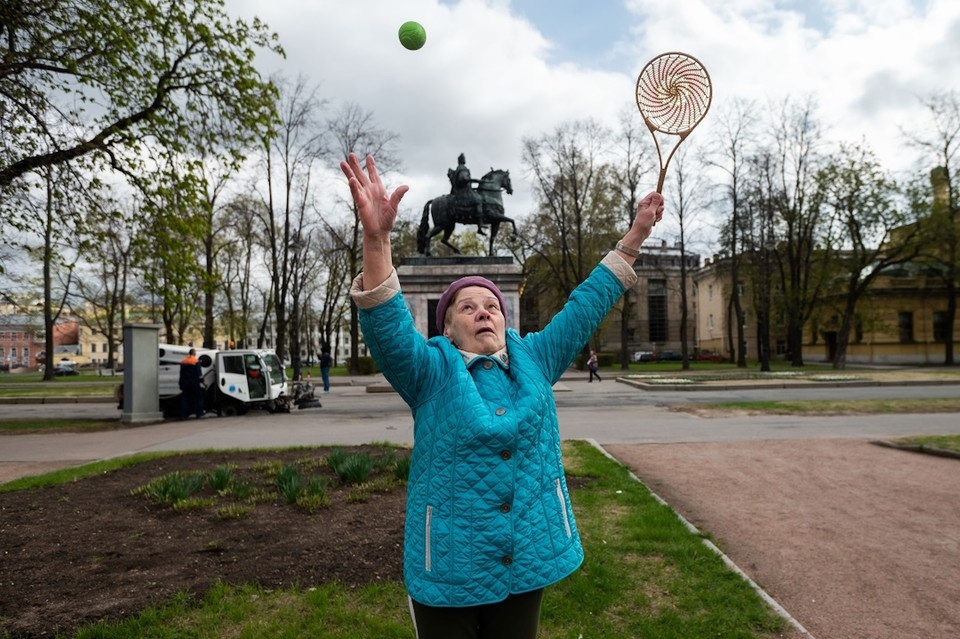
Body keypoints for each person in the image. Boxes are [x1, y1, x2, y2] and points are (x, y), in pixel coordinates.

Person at [340, 152, 663, 639]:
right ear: (447, 328)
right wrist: (376, 238)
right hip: (449, 560)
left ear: (505, 317)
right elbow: (386, 323)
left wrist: (635, 236)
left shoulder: (535, 358)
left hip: (527, 552)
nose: (483, 312)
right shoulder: (429, 369)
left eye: (492, 305)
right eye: (467, 307)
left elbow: (587, 304)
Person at [447, 152, 485, 233]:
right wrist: (476, 180)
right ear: (462, 160)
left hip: (462, 191)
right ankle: (480, 225)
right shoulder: (462, 169)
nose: (465, 160)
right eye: (463, 159)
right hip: (463, 193)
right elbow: (463, 179)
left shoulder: (459, 169)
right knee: (479, 199)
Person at [178, 348, 204, 419]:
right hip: (194, 383)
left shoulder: (183, 361)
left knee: (185, 399)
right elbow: (199, 374)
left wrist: (180, 383)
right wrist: (202, 381)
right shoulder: (196, 361)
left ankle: (183, 415)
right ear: (194, 354)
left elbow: (181, 374)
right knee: (198, 398)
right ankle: (199, 414)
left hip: (185, 383)